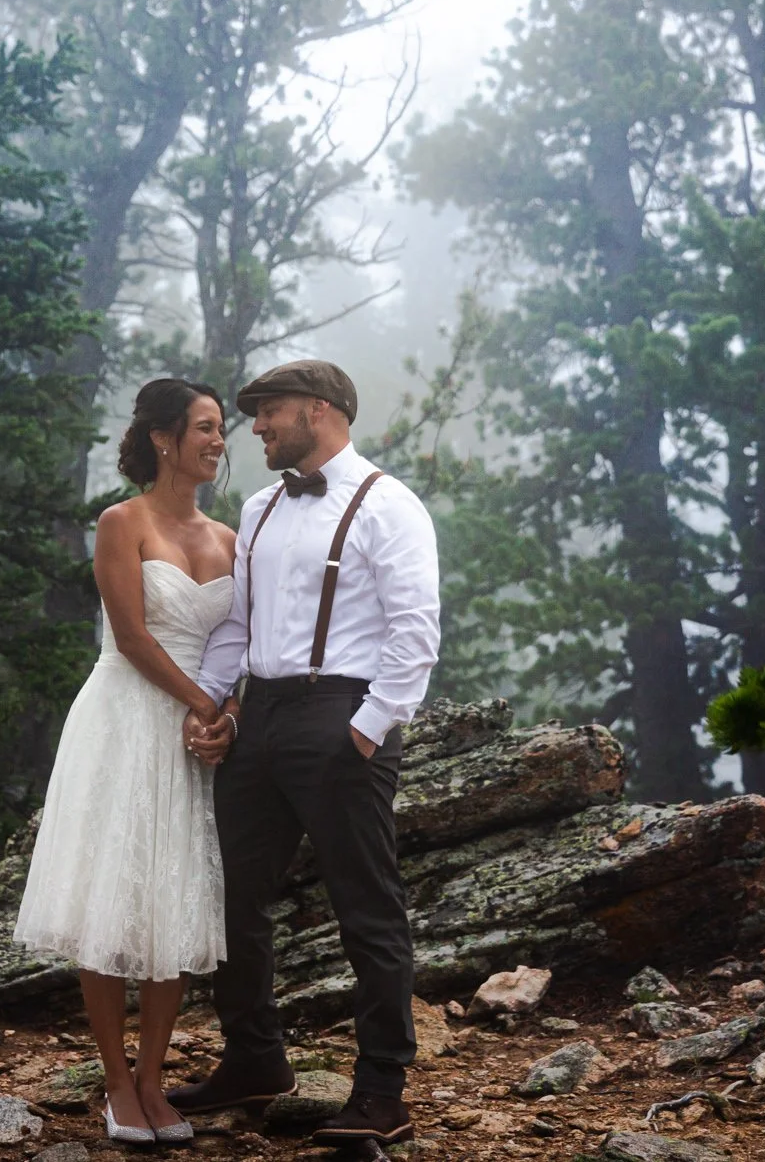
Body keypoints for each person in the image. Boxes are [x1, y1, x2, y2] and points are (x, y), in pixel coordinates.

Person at [171, 359, 441, 1147]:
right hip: (260, 714)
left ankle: (382, 1090)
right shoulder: (257, 508)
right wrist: (213, 703)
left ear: (319, 411)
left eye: (269, 411)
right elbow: (236, 628)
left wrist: (365, 728)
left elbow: (415, 632)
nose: (254, 426)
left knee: (367, 908)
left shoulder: (391, 504)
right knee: (233, 898)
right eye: (252, 414)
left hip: (341, 713)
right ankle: (256, 1059)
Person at [13, 378, 238, 1146]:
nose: (219, 440)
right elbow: (134, 637)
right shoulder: (122, 522)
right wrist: (204, 704)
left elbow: (240, 651)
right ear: (165, 439)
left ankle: (153, 1078)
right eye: (206, 428)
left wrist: (227, 715)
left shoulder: (230, 540)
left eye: (222, 430)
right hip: (121, 718)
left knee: (170, 897)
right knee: (113, 892)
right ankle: (115, 1081)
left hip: (190, 732)